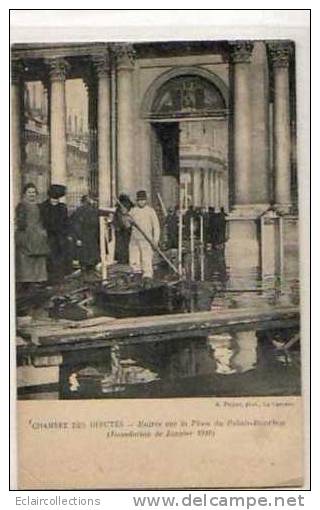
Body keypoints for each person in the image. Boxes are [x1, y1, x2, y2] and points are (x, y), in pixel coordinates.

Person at [15, 183, 49, 290]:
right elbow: (20, 222)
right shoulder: (22, 205)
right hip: (26, 233)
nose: (32, 194)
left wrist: (42, 231)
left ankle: (38, 279)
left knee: (39, 257)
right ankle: (26, 280)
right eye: (29, 192)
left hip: (38, 234)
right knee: (25, 258)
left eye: (34, 192)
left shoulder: (38, 206)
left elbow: (41, 220)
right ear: (25, 194)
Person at [40, 184, 71, 284]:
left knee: (60, 258)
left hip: (60, 236)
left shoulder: (62, 207)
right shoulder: (43, 207)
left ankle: (59, 278)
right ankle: (51, 279)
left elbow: (66, 222)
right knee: (50, 258)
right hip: (49, 236)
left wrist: (66, 234)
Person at [128, 190, 160, 284]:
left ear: (146, 200)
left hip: (146, 239)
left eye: (143, 200)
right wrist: (127, 218)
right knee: (134, 258)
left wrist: (155, 241)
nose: (141, 202)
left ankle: (147, 277)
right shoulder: (133, 211)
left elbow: (156, 227)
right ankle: (136, 274)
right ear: (136, 201)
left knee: (146, 258)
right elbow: (127, 224)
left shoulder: (150, 211)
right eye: (139, 200)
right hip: (134, 239)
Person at [70, 193, 100, 271]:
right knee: (88, 258)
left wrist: (77, 238)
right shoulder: (87, 211)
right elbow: (76, 225)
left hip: (88, 237)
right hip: (88, 237)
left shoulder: (83, 211)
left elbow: (75, 225)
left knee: (86, 258)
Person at [113, 193, 134, 264]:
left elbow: (116, 219)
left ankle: (122, 259)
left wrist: (116, 226)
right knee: (124, 244)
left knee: (122, 245)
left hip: (124, 229)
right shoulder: (122, 208)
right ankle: (124, 259)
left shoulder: (124, 208)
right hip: (124, 229)